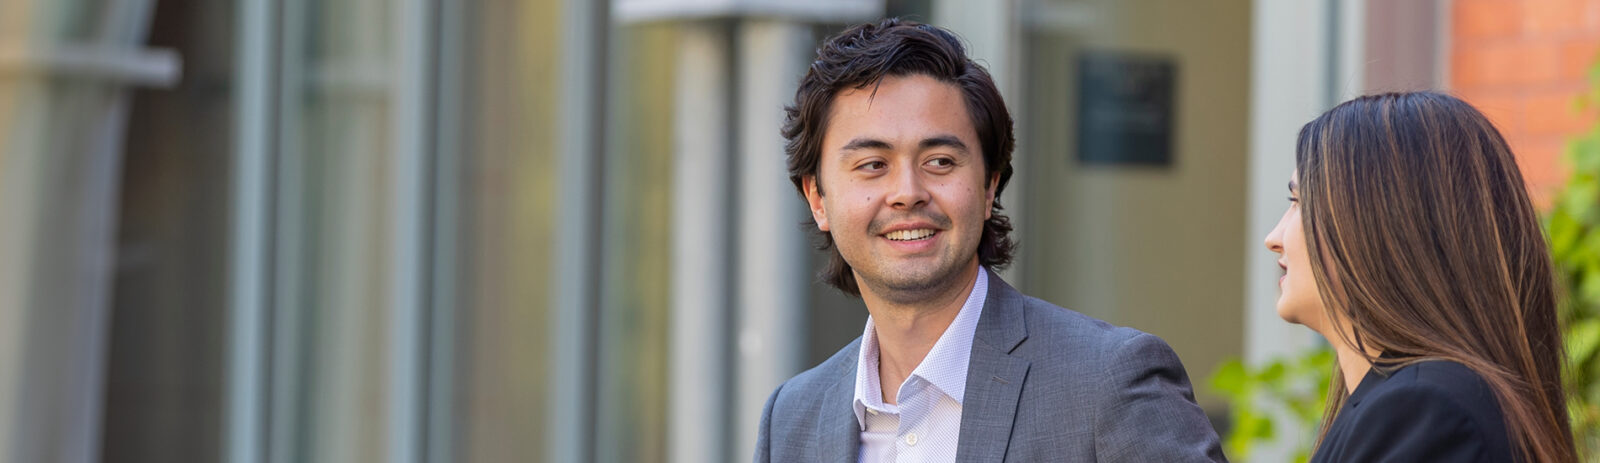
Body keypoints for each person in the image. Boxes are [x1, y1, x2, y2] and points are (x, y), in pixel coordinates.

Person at [752, 18, 1224, 462]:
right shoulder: (793, 418)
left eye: (939, 161)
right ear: (818, 198)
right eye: (872, 165)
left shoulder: (1109, 383)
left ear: (988, 187)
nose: (908, 193)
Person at [1264, 91, 1576, 462]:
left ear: (1379, 223)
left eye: (1298, 203)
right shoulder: (1409, 402)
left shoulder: (1425, 409)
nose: (1274, 239)